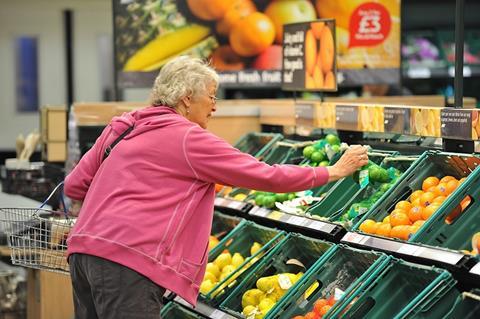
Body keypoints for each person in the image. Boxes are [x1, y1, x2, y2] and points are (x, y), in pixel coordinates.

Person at [64, 56, 369, 319]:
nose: (214, 107)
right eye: (211, 96)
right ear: (186, 98)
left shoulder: (127, 125)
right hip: (129, 262)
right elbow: (266, 176)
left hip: (82, 254)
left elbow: (76, 184)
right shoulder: (188, 139)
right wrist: (332, 171)